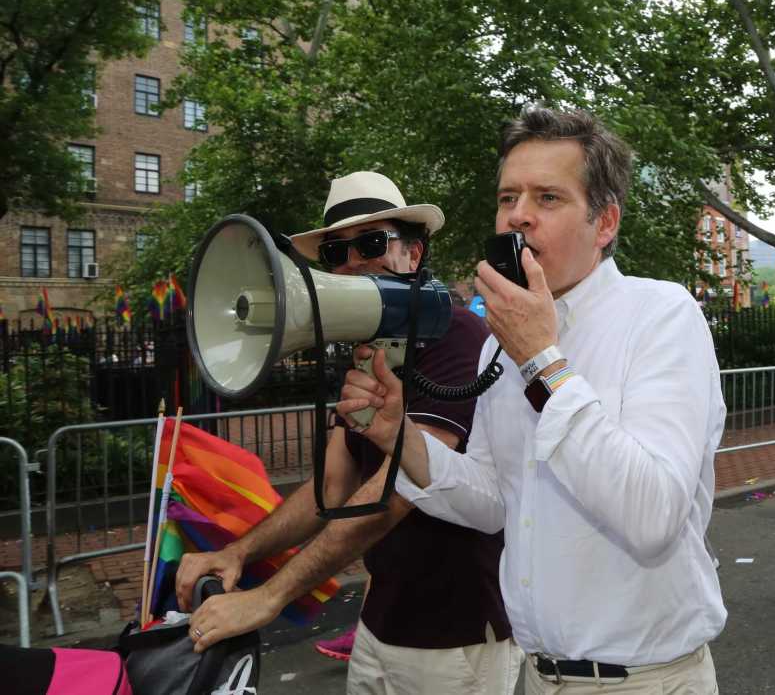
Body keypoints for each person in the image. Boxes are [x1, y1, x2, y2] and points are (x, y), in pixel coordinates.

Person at [339, 107, 726, 692]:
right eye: (507, 198)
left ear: (604, 224)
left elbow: (653, 516)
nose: (517, 215)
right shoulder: (500, 345)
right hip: (539, 677)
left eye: (547, 198)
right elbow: (493, 501)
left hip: (647, 681)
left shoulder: (661, 315)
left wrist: (542, 359)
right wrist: (401, 438)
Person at [175, 172, 520, 695]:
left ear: (414, 252)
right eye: (336, 251)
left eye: (371, 243)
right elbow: (331, 487)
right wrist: (240, 553)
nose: (353, 261)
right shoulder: (370, 348)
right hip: (381, 626)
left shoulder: (458, 337)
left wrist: (270, 595)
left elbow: (393, 494)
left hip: (457, 641)